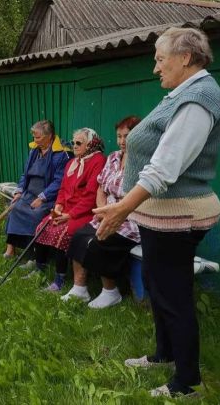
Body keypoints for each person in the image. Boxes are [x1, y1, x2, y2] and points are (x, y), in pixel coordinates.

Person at [94, 27, 220, 398]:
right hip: (160, 215)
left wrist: (121, 208)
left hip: (179, 215)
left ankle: (187, 382)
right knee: (156, 284)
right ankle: (165, 354)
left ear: (185, 58)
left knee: (173, 294)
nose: (155, 68)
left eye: (159, 58)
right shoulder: (180, 93)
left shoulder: (199, 98)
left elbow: (164, 168)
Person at [64, 116, 141, 308]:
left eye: (127, 136)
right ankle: (79, 288)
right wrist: (102, 211)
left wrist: (114, 214)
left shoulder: (143, 161)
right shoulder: (114, 157)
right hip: (107, 213)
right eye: (119, 136)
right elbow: (100, 187)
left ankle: (110, 291)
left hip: (130, 218)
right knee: (79, 235)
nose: (122, 141)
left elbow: (139, 197)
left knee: (102, 240)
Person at [28, 128, 106, 292]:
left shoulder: (98, 160)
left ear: (91, 144)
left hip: (84, 212)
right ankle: (39, 268)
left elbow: (91, 196)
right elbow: (63, 189)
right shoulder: (72, 162)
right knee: (43, 225)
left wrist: (69, 215)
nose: (74, 146)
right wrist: (58, 206)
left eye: (79, 143)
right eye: (73, 142)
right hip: (66, 209)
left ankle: (59, 280)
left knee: (62, 233)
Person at [3, 120, 69, 259]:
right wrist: (19, 191)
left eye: (38, 137)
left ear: (49, 136)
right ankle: (11, 249)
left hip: (48, 197)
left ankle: (34, 255)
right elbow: (25, 174)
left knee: (36, 216)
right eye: (34, 136)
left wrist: (42, 197)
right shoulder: (34, 150)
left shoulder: (61, 154)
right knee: (14, 208)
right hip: (28, 193)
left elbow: (59, 181)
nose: (35, 140)